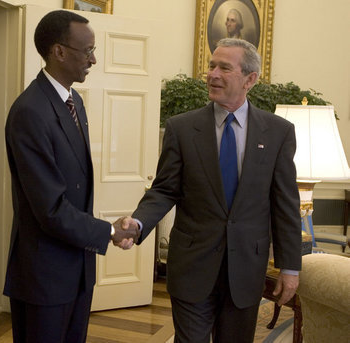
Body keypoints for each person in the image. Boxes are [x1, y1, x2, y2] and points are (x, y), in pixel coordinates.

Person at [125, 38, 302, 342]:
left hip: (246, 268)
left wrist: (290, 267)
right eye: (211, 66)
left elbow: (284, 203)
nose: (213, 74)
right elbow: (165, 190)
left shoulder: (278, 132)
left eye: (224, 67)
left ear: (250, 79)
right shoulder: (182, 128)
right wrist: (138, 222)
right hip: (192, 265)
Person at [3, 10, 139, 343]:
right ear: (59, 51)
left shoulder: (72, 99)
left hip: (76, 269)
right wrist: (108, 231)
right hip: (44, 275)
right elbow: (50, 208)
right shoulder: (30, 111)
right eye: (87, 50)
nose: (93, 59)